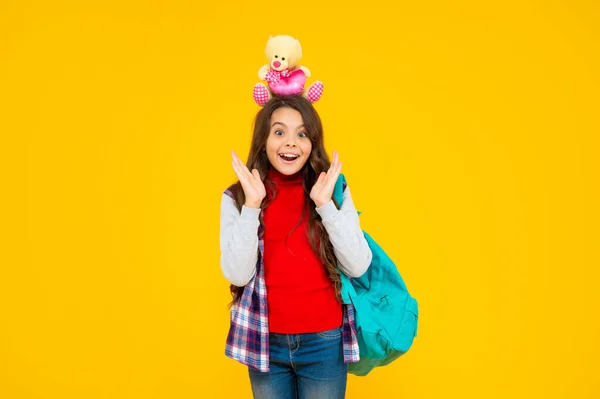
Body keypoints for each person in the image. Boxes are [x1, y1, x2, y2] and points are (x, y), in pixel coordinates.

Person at [219, 95, 372, 399]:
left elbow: (358, 266)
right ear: (263, 140)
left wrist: (325, 205)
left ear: (312, 143)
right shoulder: (238, 196)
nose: (290, 143)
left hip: (324, 342)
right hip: (265, 341)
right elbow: (237, 275)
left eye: (301, 134)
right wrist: (251, 206)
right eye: (279, 132)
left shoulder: (332, 190)